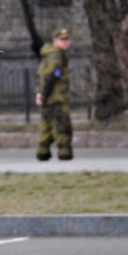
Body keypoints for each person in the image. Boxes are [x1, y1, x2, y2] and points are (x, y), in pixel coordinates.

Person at [35, 28, 73, 161]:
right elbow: (53, 76)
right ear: (54, 40)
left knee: (46, 125)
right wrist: (44, 94)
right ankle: (64, 153)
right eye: (62, 40)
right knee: (62, 125)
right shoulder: (57, 56)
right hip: (57, 97)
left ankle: (43, 151)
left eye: (67, 39)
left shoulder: (48, 55)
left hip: (48, 97)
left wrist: (40, 93)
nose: (65, 42)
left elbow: (41, 76)